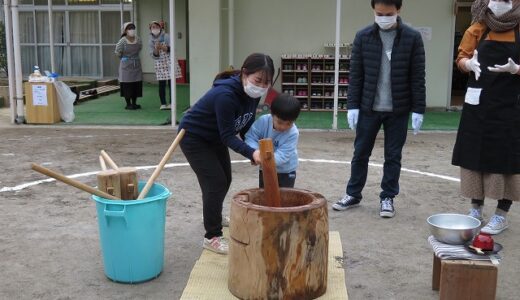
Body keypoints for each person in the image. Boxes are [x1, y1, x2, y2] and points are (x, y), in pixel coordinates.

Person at [332, 0, 426, 218]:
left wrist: (418, 109)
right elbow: (356, 74)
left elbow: (417, 76)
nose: (384, 18)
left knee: (393, 155)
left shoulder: (412, 38)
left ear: (399, 10)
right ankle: (353, 194)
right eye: (379, 13)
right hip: (368, 108)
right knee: (360, 153)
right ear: (373, 10)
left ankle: (387, 197)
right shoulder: (363, 36)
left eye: (389, 13)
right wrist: (352, 105)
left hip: (398, 109)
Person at [178, 53, 275, 254]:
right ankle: (212, 235)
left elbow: (245, 127)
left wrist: (255, 148)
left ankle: (214, 215)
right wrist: (251, 153)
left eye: (266, 83)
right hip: (194, 137)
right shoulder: (226, 96)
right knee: (215, 182)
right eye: (258, 80)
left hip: (214, 137)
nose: (261, 86)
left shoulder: (253, 95)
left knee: (226, 178)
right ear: (244, 73)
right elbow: (228, 136)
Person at [452, 0, 520, 235]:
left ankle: (501, 214)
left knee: (506, 157)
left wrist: (516, 69)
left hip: (510, 106)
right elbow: (461, 58)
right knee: (473, 154)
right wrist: (468, 64)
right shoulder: (478, 27)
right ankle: (475, 210)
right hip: (477, 104)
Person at [245, 93, 301, 188]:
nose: (283, 127)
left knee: (285, 198)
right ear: (272, 114)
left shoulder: (293, 133)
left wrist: (260, 158)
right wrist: (254, 152)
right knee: (264, 195)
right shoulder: (263, 121)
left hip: (286, 172)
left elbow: (282, 156)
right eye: (280, 122)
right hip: (266, 169)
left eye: (289, 123)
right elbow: (251, 137)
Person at [148, 21, 182, 110]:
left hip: (169, 60)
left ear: (160, 27)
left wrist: (162, 47)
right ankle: (163, 103)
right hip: (160, 62)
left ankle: (172, 102)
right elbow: (153, 55)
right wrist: (156, 49)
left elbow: (172, 48)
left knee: (171, 83)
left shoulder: (166, 36)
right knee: (161, 83)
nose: (155, 29)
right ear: (150, 29)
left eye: (156, 26)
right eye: (152, 27)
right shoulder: (150, 40)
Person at [115, 22, 143, 110]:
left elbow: (140, 48)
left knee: (136, 84)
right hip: (126, 65)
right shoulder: (122, 40)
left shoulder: (138, 39)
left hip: (136, 64)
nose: (132, 30)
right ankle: (128, 104)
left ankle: (134, 103)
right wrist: (124, 58)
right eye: (130, 28)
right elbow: (117, 51)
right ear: (125, 30)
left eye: (133, 28)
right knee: (127, 85)